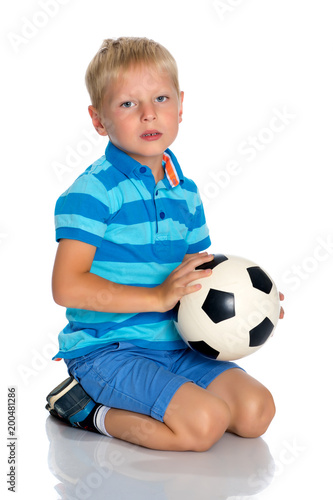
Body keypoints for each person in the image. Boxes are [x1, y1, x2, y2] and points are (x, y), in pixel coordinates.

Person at [46, 37, 284, 452]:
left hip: (178, 344)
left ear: (180, 105)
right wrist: (156, 297)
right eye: (127, 104)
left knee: (256, 412)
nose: (149, 113)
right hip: (111, 351)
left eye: (160, 98)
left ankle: (167, 398)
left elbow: (199, 272)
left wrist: (251, 303)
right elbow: (66, 287)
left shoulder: (184, 192)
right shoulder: (93, 192)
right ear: (98, 120)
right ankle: (85, 409)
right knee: (204, 425)